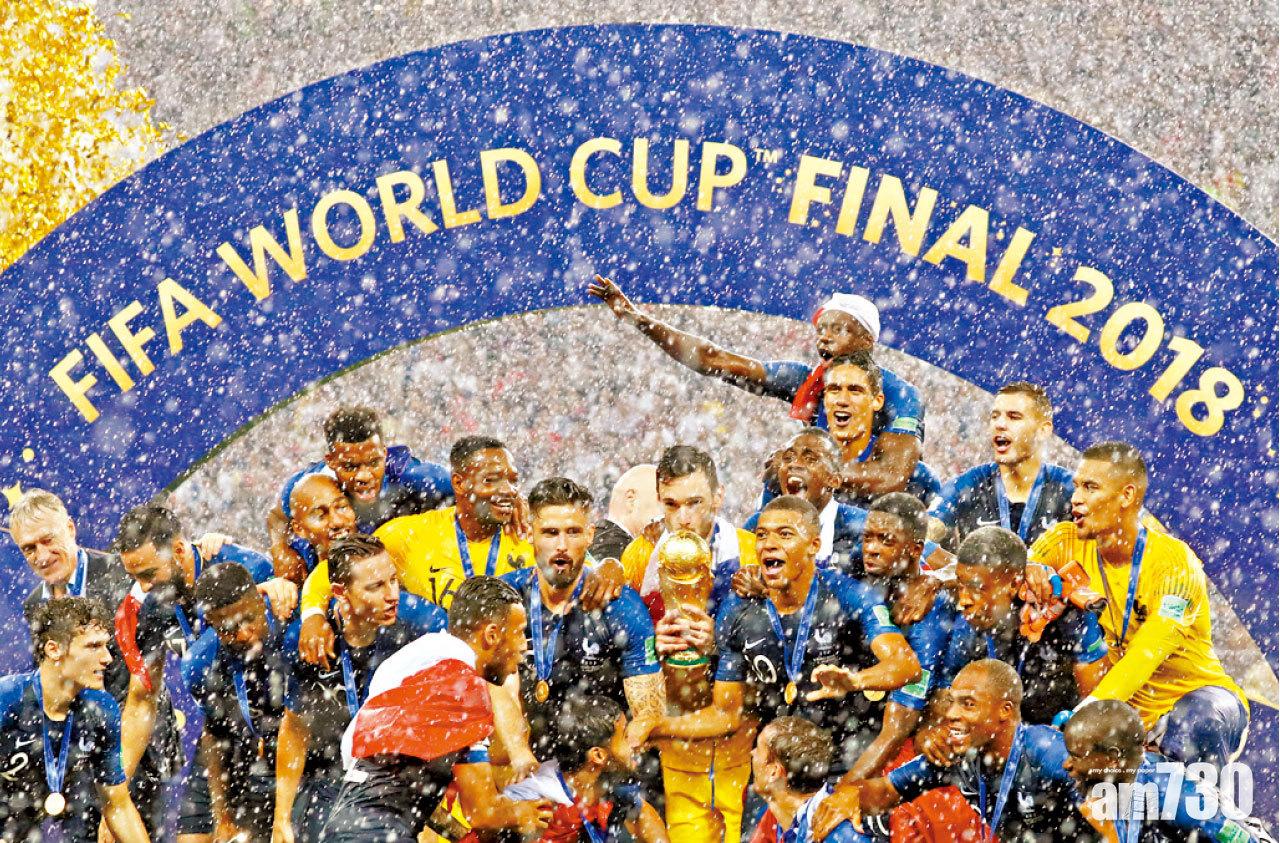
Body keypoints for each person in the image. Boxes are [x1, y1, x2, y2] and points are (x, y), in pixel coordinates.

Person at [650, 496, 920, 781]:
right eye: (762, 535)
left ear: (814, 545)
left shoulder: (848, 596)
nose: (769, 544)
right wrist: (658, 727)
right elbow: (726, 714)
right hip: (777, 770)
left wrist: (855, 681)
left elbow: (906, 665)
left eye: (785, 534)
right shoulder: (738, 608)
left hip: (845, 763)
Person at [588, 277, 925, 501]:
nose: (824, 336)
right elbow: (714, 359)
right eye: (822, 328)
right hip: (828, 501)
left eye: (838, 329)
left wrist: (805, 469)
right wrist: (638, 319)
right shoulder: (806, 380)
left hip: (879, 512)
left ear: (866, 341)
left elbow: (891, 477)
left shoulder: (901, 395)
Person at [1026, 441, 1249, 767]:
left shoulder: (1175, 563)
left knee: (1196, 720)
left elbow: (1149, 650)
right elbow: (1011, 574)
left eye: (1090, 487)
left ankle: (1206, 797)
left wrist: (1092, 710)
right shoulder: (1064, 540)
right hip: (1126, 717)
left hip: (1198, 704)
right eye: (1076, 486)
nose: (1075, 498)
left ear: (1126, 496)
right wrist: (1031, 572)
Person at [110, 505, 297, 836]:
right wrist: (117, 794)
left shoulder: (248, 569)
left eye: (149, 574)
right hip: (220, 731)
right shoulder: (156, 606)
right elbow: (141, 700)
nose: (143, 587)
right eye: (135, 578)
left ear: (179, 550)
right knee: (192, 836)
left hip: (276, 726)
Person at [322, 577, 553, 842]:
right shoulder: (464, 686)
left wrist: (462, 834)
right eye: (519, 632)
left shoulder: (414, 664)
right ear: (491, 635)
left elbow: (399, 787)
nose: (524, 646)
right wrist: (524, 813)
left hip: (344, 824)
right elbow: (483, 811)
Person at [612, 445, 759, 843]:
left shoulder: (750, 552)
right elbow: (620, 640)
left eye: (695, 503)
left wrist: (724, 643)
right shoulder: (640, 555)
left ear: (719, 496)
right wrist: (648, 644)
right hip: (672, 732)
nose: (684, 518)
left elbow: (780, 644)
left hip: (738, 729)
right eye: (672, 505)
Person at [296, 436, 534, 666]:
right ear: (459, 483)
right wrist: (313, 615)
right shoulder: (410, 534)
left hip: (514, 670)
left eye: (513, 481)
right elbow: (332, 571)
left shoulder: (531, 536)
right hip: (440, 677)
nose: (509, 490)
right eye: (491, 480)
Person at [274, 535, 447, 842]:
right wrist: (281, 818)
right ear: (341, 592)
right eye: (375, 587)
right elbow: (296, 729)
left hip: (405, 783)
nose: (391, 595)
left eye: (393, 580)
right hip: (334, 782)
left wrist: (433, 814)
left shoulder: (424, 627)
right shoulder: (307, 644)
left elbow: (448, 723)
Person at [810, 660, 1088, 842]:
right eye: (952, 702)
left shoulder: (1046, 749)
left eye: (968, 704)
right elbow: (885, 791)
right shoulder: (955, 754)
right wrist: (850, 796)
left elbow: (1113, 795)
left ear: (1005, 710)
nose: (951, 714)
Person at [500, 478, 664, 759]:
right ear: (529, 533)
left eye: (573, 532)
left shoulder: (620, 606)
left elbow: (648, 715)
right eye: (550, 533)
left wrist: (606, 764)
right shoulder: (506, 599)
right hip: (521, 761)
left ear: (590, 535)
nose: (561, 545)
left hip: (598, 766)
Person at [809, 494, 956, 782]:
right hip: (845, 708)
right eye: (868, 538)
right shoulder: (860, 560)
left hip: (895, 719)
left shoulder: (928, 619)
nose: (871, 549)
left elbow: (895, 731)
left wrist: (844, 793)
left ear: (915, 549)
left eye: (885, 541)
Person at [0, 597, 150, 842]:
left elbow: (118, 805)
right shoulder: (6, 701)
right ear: (53, 650)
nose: (107, 658)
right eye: (93, 646)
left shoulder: (101, 710)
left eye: (106, 645)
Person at [267, 405, 453, 582]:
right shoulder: (310, 486)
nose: (364, 476)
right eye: (350, 466)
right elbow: (277, 517)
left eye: (374, 463)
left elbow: (463, 492)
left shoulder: (413, 477)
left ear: (385, 453)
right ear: (331, 461)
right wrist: (280, 550)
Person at [944, 526, 1108, 725]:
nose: (963, 600)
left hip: (1054, 734)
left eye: (977, 587)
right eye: (960, 585)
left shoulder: (1067, 613)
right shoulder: (966, 620)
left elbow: (1095, 709)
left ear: (1014, 584)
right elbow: (946, 695)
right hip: (994, 734)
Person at [181, 563, 297, 842]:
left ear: (260, 597)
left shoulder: (295, 621)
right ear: (210, 622)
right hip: (251, 765)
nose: (244, 634)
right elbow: (215, 736)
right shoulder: (200, 664)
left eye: (248, 618)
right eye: (228, 628)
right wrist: (222, 815)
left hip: (313, 761)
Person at [1063, 700, 1275, 843]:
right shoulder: (1124, 775)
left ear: (1111, 759)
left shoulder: (1180, 802)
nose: (1067, 764)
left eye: (1076, 756)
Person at [470, 696, 670, 843]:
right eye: (625, 737)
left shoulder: (609, 785)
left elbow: (643, 814)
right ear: (598, 756)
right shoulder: (537, 797)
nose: (635, 743)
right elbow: (484, 826)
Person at [8, 489, 134, 698]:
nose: (42, 556)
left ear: (70, 529)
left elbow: (146, 667)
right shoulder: (34, 605)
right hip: (82, 715)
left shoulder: (121, 576)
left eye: (48, 540)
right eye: (29, 549)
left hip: (136, 710)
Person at [927, 382, 1074, 547]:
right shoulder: (969, 484)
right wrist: (955, 562)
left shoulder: (1070, 489)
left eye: (1014, 417)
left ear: (1043, 430)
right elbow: (921, 539)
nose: (1000, 424)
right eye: (995, 416)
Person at [820, 353, 939, 509]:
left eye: (855, 391)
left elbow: (892, 478)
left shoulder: (918, 479)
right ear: (825, 398)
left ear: (877, 401)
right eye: (834, 390)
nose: (842, 400)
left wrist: (820, 473)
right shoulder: (796, 459)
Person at [749, 717, 865, 843]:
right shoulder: (774, 815)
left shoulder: (839, 835)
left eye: (758, 749)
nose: (752, 753)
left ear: (774, 772)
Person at [589, 464, 662, 564]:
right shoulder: (615, 552)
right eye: (662, 502)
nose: (668, 512)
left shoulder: (599, 540)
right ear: (631, 501)